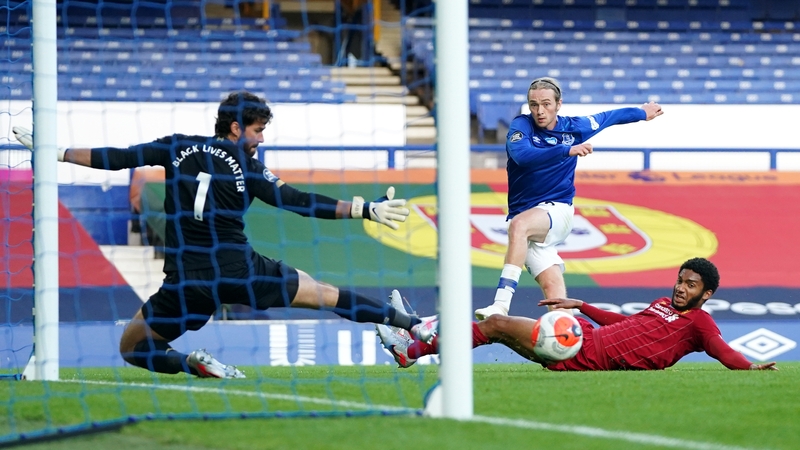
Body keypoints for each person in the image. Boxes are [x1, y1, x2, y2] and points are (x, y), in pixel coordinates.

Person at [13, 91, 436, 379]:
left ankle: (189, 364)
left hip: (186, 280)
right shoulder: (249, 168)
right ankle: (410, 326)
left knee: (131, 346)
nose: (261, 138)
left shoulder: (175, 146)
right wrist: (365, 209)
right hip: (239, 268)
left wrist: (55, 151)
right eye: (257, 130)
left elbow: (117, 157)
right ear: (236, 128)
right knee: (324, 294)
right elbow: (297, 201)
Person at [475, 77, 664, 320]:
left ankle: (500, 305)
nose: (539, 111)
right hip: (529, 220)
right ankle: (571, 345)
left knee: (519, 226)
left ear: (558, 104)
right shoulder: (521, 126)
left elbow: (609, 117)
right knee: (556, 298)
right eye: (533, 105)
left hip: (557, 211)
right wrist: (566, 150)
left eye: (546, 104)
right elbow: (523, 156)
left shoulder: (574, 127)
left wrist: (641, 112)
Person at [379, 258, 778, 371]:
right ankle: (411, 349)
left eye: (690, 286)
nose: (680, 287)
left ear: (705, 294)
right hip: (584, 335)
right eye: (680, 280)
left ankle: (413, 338)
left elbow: (721, 350)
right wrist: (581, 305)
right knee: (495, 330)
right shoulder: (661, 304)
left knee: (497, 324)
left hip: (585, 353)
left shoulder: (700, 323)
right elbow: (624, 324)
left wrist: (750, 367)